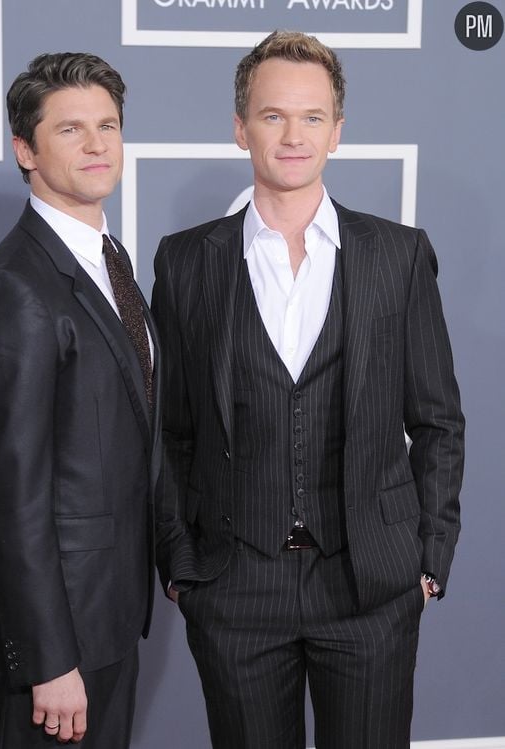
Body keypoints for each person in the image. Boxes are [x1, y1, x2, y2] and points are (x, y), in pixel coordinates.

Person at [151, 30, 464, 749]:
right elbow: (170, 429)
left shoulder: (398, 254)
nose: (293, 135)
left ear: (338, 131)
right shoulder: (186, 262)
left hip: (372, 587)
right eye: (272, 115)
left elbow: (439, 420)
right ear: (240, 128)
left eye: (312, 117)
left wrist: (428, 559)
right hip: (234, 588)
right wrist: (181, 565)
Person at [0, 52, 160, 749]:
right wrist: (49, 661)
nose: (98, 144)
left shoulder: (108, 259)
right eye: (71, 129)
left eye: (108, 125)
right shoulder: (17, 286)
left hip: (105, 618)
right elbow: (12, 494)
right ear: (25, 150)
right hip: (50, 644)